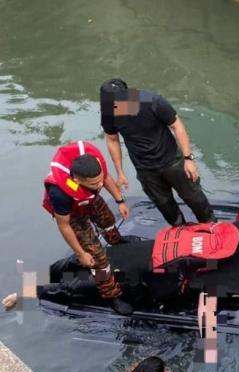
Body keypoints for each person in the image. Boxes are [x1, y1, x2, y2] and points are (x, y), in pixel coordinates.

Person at [100, 78, 216, 226]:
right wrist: (120, 172)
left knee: (194, 197)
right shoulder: (109, 111)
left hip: (172, 161)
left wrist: (188, 159)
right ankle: (180, 230)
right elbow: (112, 139)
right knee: (164, 204)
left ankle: (212, 225)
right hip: (145, 169)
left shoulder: (152, 101)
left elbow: (177, 125)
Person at [42, 141, 133, 315]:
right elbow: (64, 226)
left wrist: (119, 200)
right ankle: (111, 295)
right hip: (72, 215)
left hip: (88, 199)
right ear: (76, 179)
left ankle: (116, 240)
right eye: (94, 183)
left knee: (107, 219)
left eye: (99, 180)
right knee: (98, 257)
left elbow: (105, 180)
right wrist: (81, 253)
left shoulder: (95, 177)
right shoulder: (60, 193)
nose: (99, 185)